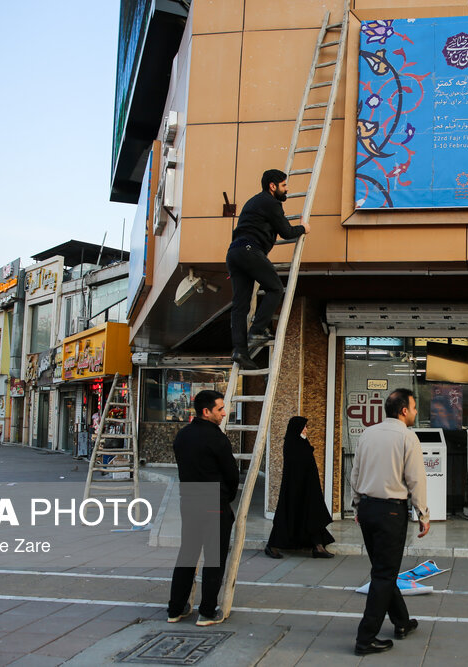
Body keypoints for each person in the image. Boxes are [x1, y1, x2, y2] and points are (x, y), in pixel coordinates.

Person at [349, 388, 430, 656]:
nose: (416, 413)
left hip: (368, 508)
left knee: (384, 569)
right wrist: (423, 513)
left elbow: (355, 472)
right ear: (403, 410)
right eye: (414, 408)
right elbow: (416, 479)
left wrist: (356, 504)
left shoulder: (367, 434)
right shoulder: (408, 437)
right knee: (384, 574)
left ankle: (402, 622)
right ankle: (365, 638)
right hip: (391, 512)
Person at [166, 390, 239, 627]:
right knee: (214, 559)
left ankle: (175, 609)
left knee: (187, 555)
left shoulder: (182, 436)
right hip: (213, 503)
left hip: (188, 501)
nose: (224, 413)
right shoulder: (217, 438)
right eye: (219, 409)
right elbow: (231, 475)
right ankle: (207, 611)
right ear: (206, 411)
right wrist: (225, 497)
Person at [226, 168, 310, 370]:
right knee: (275, 288)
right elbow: (287, 232)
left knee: (240, 305)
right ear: (272, 186)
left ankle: (240, 350)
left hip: (234, 252)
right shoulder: (271, 202)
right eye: (283, 185)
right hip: (250, 249)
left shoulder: (253, 201)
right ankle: (258, 329)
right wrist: (303, 228)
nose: (286, 189)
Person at [264, 416, 335, 559]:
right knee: (288, 515)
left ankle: (318, 546)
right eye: (304, 427)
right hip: (295, 489)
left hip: (307, 488)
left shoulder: (301, 442)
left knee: (312, 515)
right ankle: (272, 546)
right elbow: (297, 466)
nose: (306, 429)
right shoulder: (292, 443)